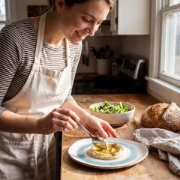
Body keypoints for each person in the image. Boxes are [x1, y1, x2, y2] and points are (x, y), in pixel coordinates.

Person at [0, 0, 117, 179]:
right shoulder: (15, 39)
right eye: (87, 19)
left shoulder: (74, 44)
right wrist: (40, 125)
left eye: (99, 23)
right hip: (9, 157)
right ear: (60, 4)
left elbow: (62, 97)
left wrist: (86, 118)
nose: (92, 32)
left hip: (48, 154)